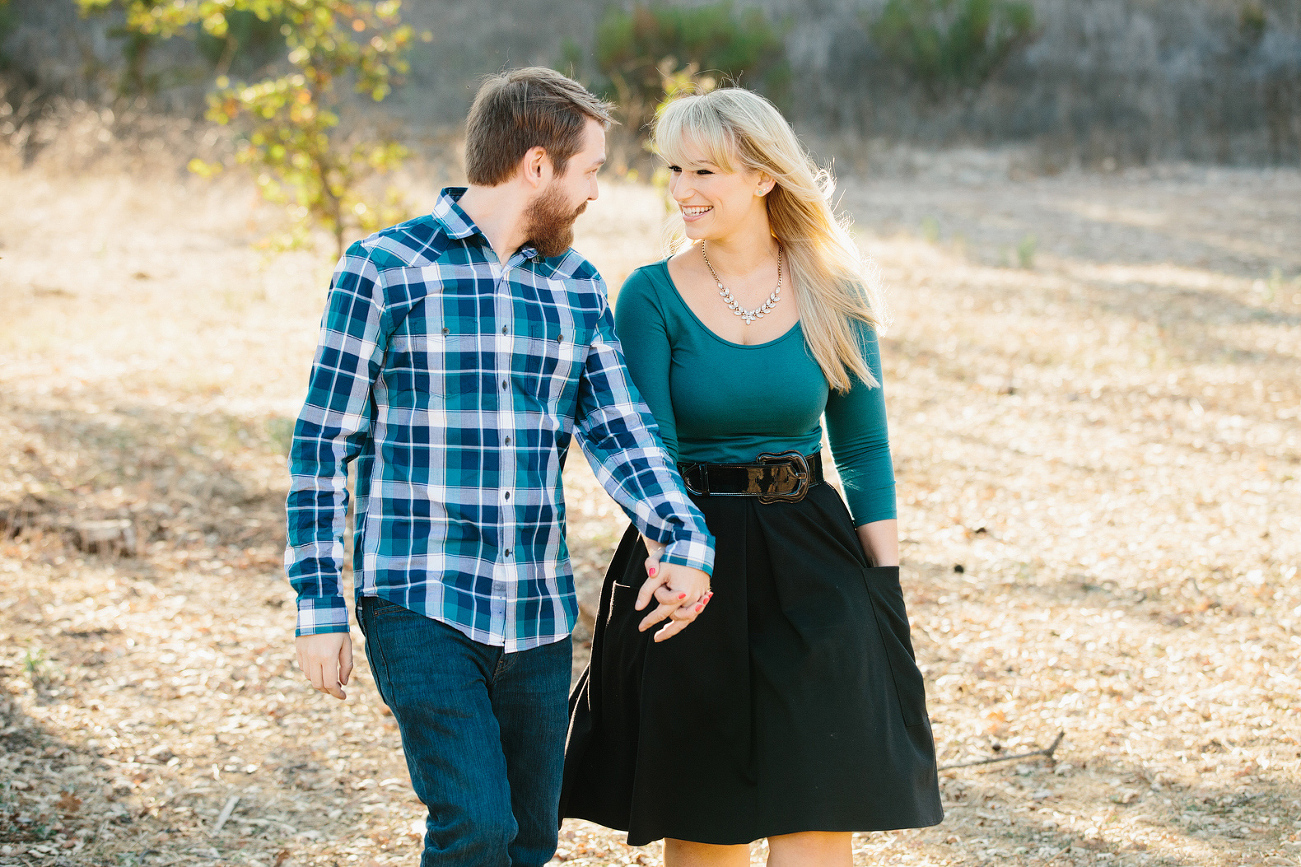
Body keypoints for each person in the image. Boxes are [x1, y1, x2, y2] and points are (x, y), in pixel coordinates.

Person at [284, 67, 715, 867]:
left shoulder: (575, 285)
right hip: (418, 596)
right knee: (475, 826)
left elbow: (620, 429)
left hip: (538, 608)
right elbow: (322, 442)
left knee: (529, 836)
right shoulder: (385, 268)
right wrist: (318, 604)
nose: (595, 193)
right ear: (537, 165)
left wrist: (682, 535)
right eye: (590, 170)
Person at [562, 87, 943, 865]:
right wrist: (677, 561)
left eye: (705, 170)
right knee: (707, 817)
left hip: (811, 552)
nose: (682, 190)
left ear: (764, 176)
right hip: (687, 556)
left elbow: (863, 451)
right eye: (674, 169)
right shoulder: (649, 295)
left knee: (816, 800)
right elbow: (651, 452)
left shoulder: (835, 292)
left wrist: (884, 584)